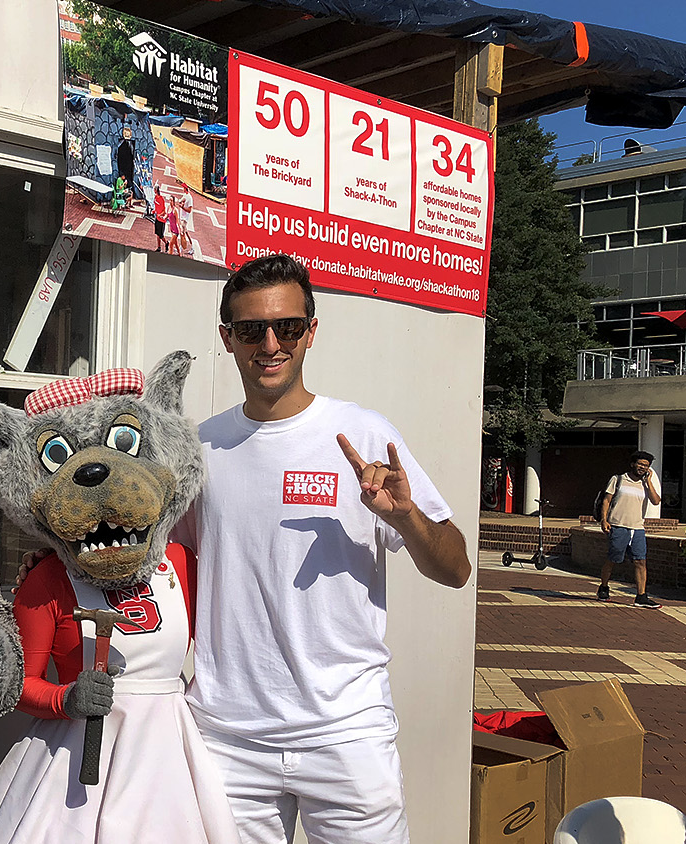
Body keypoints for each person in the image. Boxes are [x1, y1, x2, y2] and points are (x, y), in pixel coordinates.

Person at [174, 254, 471, 844]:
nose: (269, 342)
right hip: (228, 735)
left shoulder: (362, 434)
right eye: (250, 329)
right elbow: (158, 565)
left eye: (286, 326)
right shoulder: (198, 449)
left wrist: (407, 517)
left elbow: (456, 567)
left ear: (311, 330)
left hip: (346, 730)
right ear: (226, 338)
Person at [596, 450, 663, 608]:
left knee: (641, 561)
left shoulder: (646, 484)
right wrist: (604, 520)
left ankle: (641, 596)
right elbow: (606, 500)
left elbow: (656, 501)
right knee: (613, 559)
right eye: (640, 464)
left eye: (646, 466)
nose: (642, 467)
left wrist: (649, 482)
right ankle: (603, 587)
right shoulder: (618, 479)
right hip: (618, 526)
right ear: (633, 464)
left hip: (638, 528)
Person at [153, 184, 169, 252]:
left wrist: (160, 214)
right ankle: (159, 247)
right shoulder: (155, 197)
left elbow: (164, 210)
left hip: (161, 219)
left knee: (161, 235)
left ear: (156, 190)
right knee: (157, 234)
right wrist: (154, 211)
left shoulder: (161, 199)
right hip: (157, 218)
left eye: (154, 189)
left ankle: (166, 243)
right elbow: (156, 207)